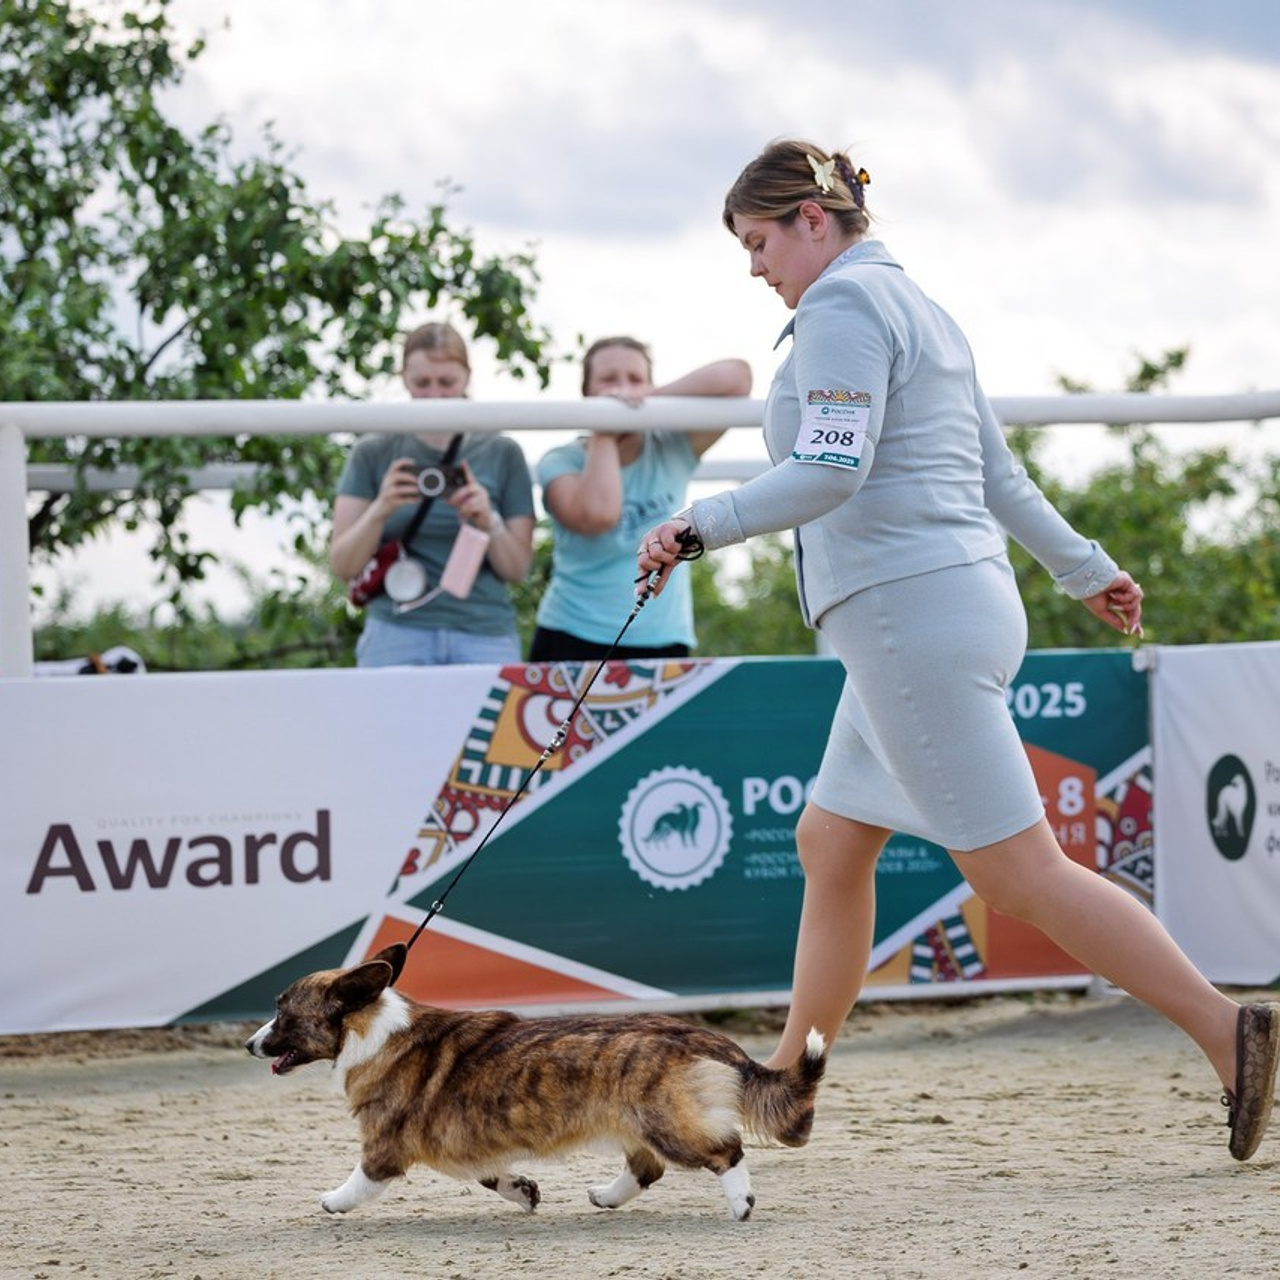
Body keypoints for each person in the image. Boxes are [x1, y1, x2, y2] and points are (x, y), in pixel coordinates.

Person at [637, 139, 1279, 1161]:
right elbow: (998, 475)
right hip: (943, 605)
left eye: (758, 242)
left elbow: (830, 469)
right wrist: (1084, 569)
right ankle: (788, 1085)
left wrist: (696, 524)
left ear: (813, 221)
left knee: (1019, 872)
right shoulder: (919, 307)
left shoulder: (843, 308)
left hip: (907, 618)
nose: (754, 266)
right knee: (830, 841)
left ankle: (1225, 1027)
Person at [529, 337, 752, 661]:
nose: (622, 389)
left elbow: (737, 378)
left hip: (663, 638)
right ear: (587, 392)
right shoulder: (561, 460)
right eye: (608, 380)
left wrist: (647, 399)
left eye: (635, 379)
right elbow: (599, 514)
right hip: (570, 635)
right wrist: (604, 429)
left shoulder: (671, 448)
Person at [330, 321, 535, 666]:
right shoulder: (373, 450)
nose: (435, 396)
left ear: (467, 377)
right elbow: (343, 565)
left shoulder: (502, 452)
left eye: (447, 382)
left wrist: (490, 521)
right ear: (404, 378)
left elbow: (516, 570)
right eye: (422, 383)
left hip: (484, 630)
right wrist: (381, 509)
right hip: (395, 627)